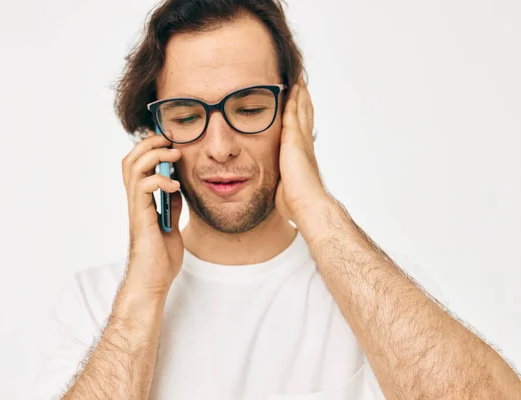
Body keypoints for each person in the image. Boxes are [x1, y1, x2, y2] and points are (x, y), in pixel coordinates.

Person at [35, 0, 521, 399]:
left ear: (295, 113)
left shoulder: (377, 292)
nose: (220, 148)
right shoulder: (97, 305)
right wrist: (145, 292)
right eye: (186, 117)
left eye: (248, 109)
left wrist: (316, 210)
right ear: (155, 137)